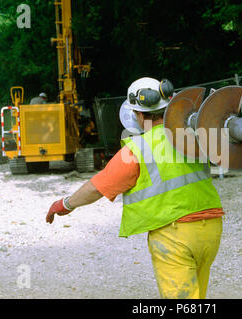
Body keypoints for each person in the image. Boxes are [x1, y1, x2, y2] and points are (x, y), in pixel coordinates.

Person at [46, 77, 224, 299]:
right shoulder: (192, 136)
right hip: (211, 229)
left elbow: (97, 187)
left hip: (174, 234)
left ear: (139, 115)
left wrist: (65, 204)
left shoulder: (137, 149)